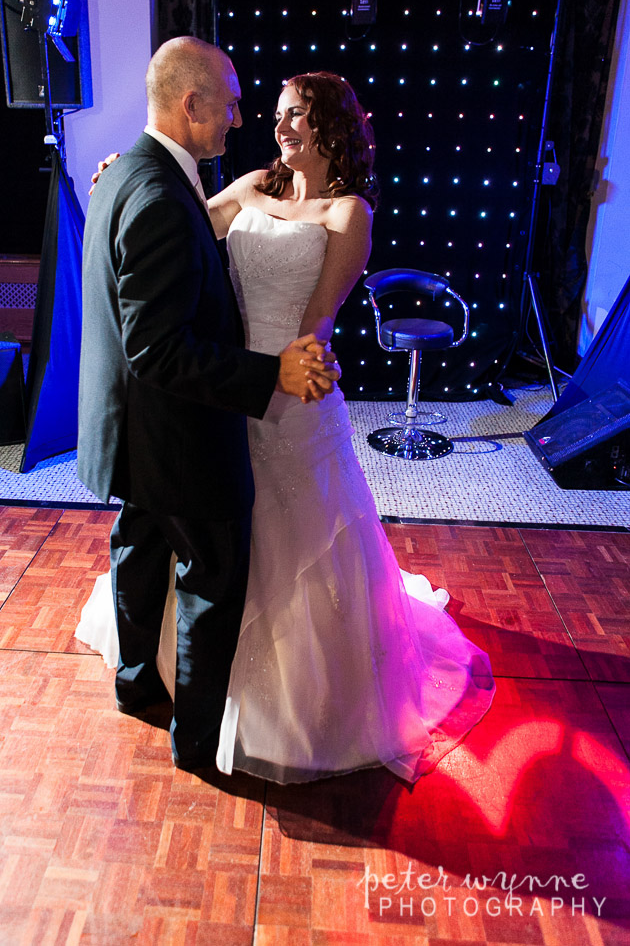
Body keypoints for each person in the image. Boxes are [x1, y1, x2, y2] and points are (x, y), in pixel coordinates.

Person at [78, 67, 495, 784]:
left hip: (290, 396)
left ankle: (280, 706)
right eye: (275, 114)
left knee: (287, 547)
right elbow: (177, 220)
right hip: (221, 389)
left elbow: (317, 324)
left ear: (332, 123)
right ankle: (195, 683)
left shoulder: (349, 214)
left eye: (295, 113)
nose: (277, 126)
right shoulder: (249, 189)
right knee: (214, 544)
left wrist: (285, 376)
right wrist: (126, 173)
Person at [77, 37, 339, 774]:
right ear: (191, 105)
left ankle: (136, 687)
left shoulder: (130, 172)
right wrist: (271, 374)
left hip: (132, 431)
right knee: (211, 581)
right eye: (228, 99)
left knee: (137, 551)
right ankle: (195, 742)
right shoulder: (160, 192)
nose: (240, 114)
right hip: (183, 433)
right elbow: (158, 348)